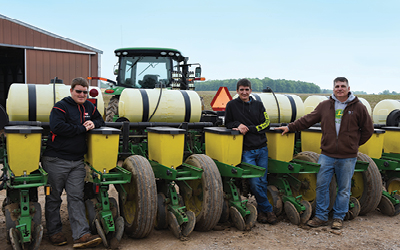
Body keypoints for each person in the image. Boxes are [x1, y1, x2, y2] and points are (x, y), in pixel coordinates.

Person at [275, 77, 374, 230]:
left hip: (347, 157)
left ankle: (338, 217)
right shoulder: (325, 106)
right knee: (322, 186)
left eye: (342, 86)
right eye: (337, 86)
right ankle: (321, 216)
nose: (339, 88)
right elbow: (308, 119)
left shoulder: (358, 107)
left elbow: (368, 130)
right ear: (333, 88)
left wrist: (353, 145)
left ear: (348, 88)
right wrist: (290, 127)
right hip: (327, 155)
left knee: (344, 188)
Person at [42, 77, 104, 248]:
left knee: (76, 197)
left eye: (85, 92)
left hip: (77, 162)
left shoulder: (89, 106)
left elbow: (101, 120)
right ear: (71, 91)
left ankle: (81, 235)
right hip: (56, 159)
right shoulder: (61, 107)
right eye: (78, 91)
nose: (82, 94)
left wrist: (94, 122)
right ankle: (54, 232)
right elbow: (57, 127)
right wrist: (83, 128)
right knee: (53, 198)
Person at [225, 78, 278, 224]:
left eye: (246, 89)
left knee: (262, 180)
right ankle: (268, 210)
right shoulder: (231, 105)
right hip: (246, 150)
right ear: (237, 91)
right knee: (255, 182)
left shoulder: (259, 105)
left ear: (250, 90)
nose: (244, 92)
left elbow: (266, 124)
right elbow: (227, 123)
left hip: (262, 148)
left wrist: (250, 129)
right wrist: (238, 125)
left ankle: (261, 213)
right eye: (241, 89)